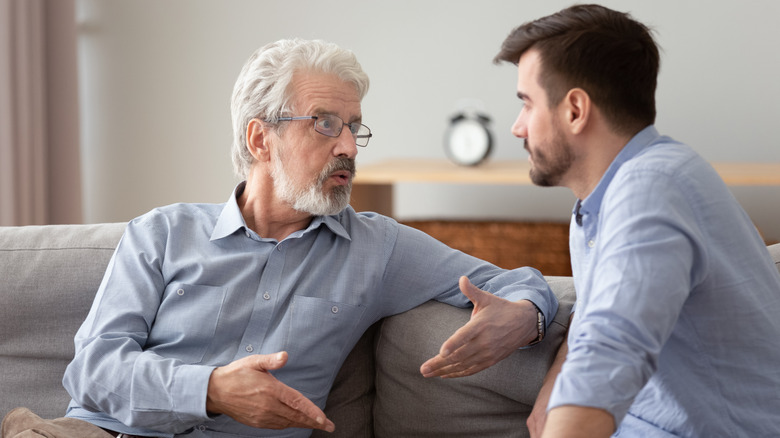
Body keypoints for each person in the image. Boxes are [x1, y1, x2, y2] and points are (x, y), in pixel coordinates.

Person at [1, 39, 557, 438]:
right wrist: (211, 389)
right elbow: (93, 371)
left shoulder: (378, 248)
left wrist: (527, 315)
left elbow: (510, 282)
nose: (348, 147)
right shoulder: (162, 234)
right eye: (324, 123)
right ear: (260, 138)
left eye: (352, 126)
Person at [493, 4, 780, 438]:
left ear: (574, 110)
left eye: (527, 104)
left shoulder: (653, 187)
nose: (517, 127)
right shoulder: (599, 201)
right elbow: (601, 320)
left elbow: (610, 351)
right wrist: (554, 385)